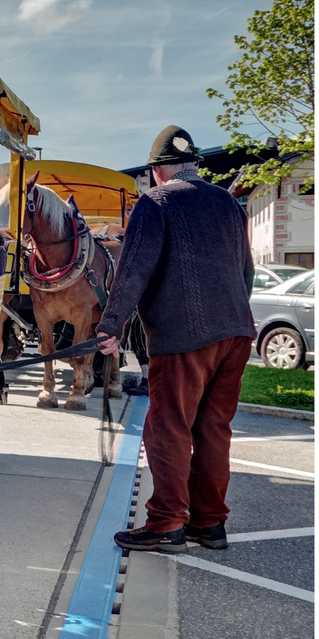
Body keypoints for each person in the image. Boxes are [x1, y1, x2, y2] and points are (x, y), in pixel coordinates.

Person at [95, 126, 255, 553]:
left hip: (184, 336)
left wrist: (110, 327)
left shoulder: (156, 202)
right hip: (237, 332)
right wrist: (231, 316)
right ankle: (210, 524)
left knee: (168, 427)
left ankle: (166, 522)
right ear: (194, 165)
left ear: (159, 170)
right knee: (214, 428)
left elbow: (133, 270)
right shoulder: (228, 203)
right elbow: (246, 272)